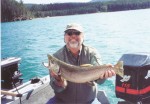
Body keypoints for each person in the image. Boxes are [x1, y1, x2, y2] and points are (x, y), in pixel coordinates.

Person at [48, 23, 115, 104]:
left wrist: (104, 76)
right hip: (62, 101)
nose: (73, 36)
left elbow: (100, 81)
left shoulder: (92, 53)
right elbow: (56, 88)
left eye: (77, 33)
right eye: (69, 33)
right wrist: (59, 81)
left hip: (89, 101)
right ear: (64, 37)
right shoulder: (56, 58)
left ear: (83, 37)